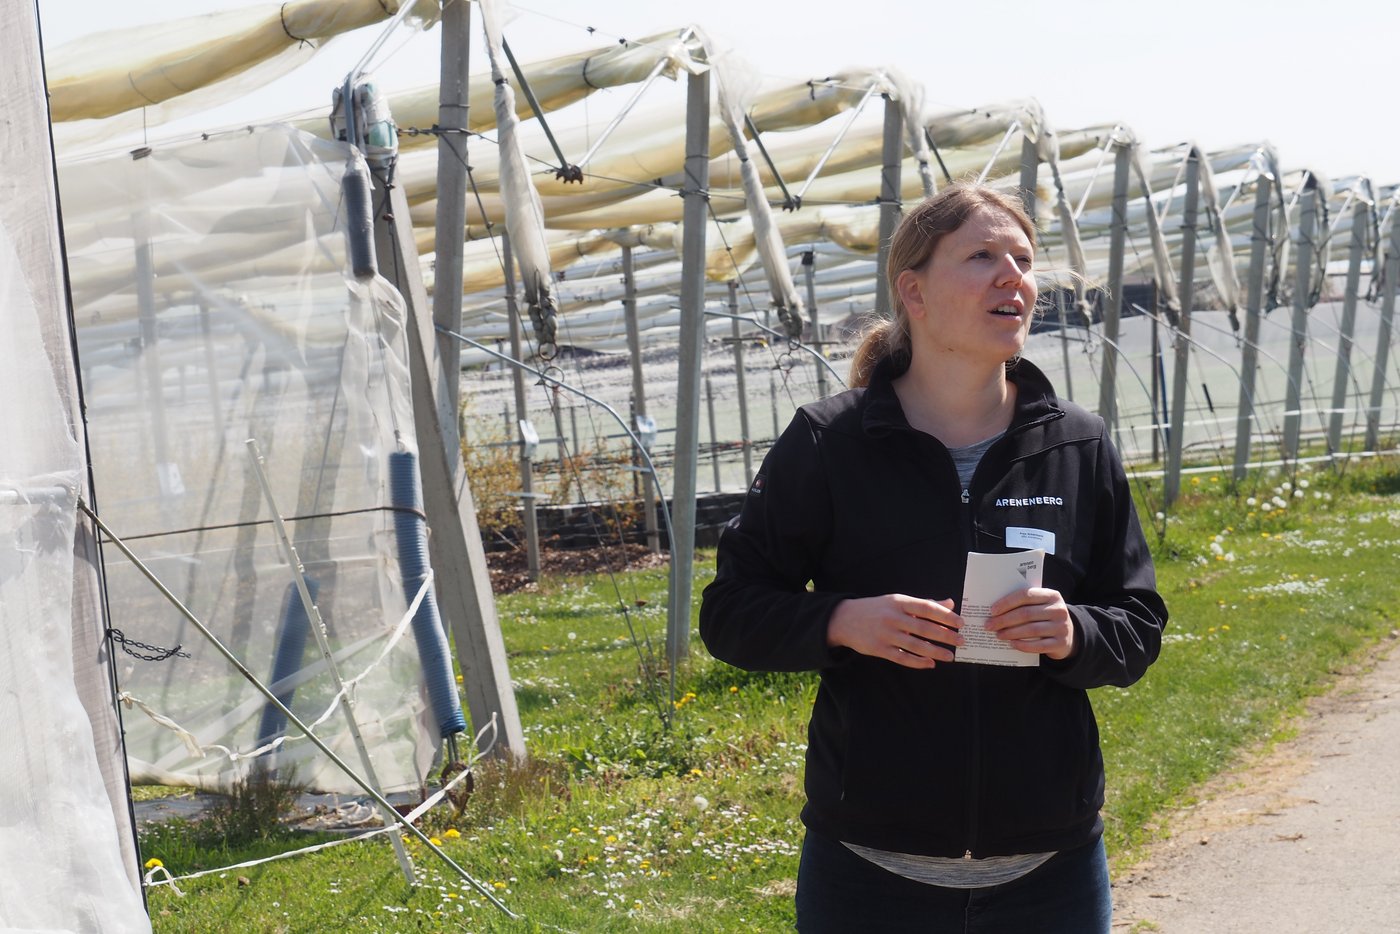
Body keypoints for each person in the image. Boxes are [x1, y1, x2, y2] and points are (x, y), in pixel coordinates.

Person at [698, 182, 1167, 933]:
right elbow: (729, 614)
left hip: (1050, 873)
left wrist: (1074, 632)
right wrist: (843, 621)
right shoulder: (828, 444)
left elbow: (1137, 623)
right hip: (870, 874)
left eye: (1022, 257)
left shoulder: (1076, 444)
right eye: (981, 256)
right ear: (912, 290)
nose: (1012, 275)